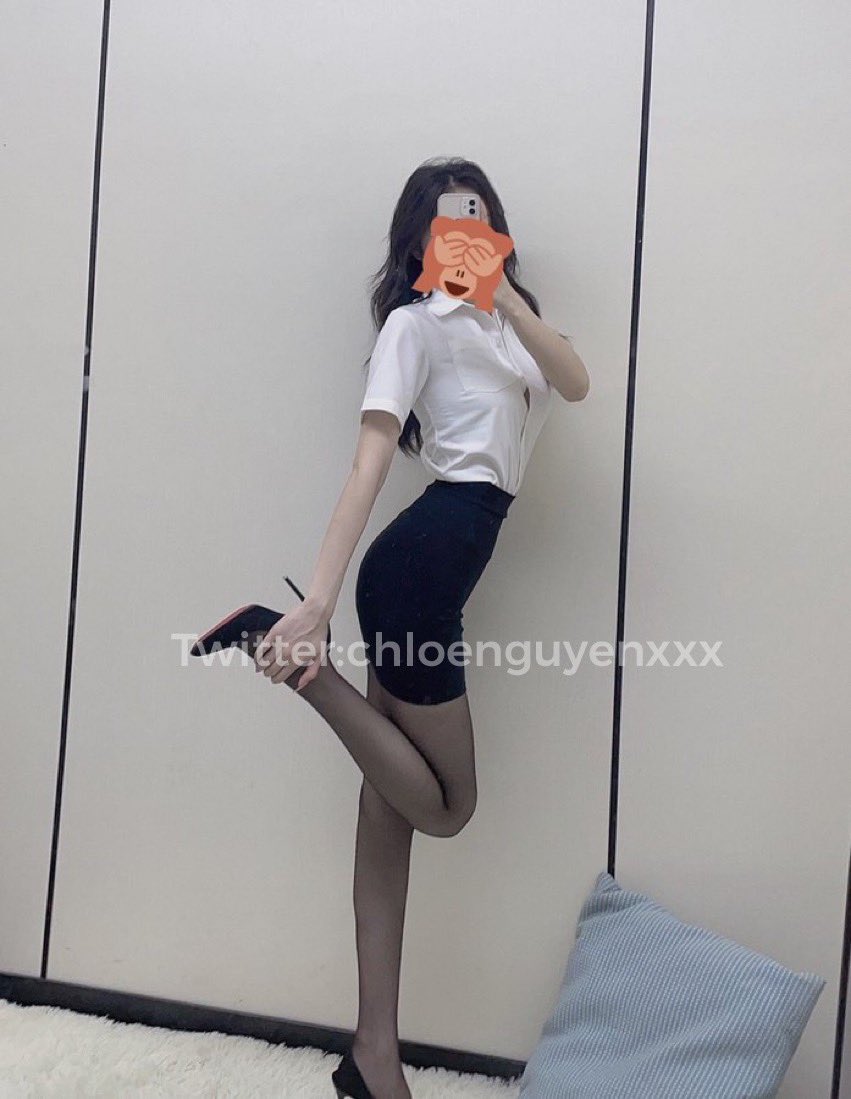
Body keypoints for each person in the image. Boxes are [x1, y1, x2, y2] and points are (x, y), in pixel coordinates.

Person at [192, 156, 589, 1099]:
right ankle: (291, 654)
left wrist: (501, 294)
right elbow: (369, 463)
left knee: (387, 808)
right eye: (447, 222)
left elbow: (574, 381)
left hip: (440, 564)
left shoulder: (512, 328)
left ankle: (375, 1055)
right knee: (447, 808)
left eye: (479, 218)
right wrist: (318, 602)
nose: (465, 232)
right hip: (418, 570)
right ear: (418, 241)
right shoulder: (414, 327)